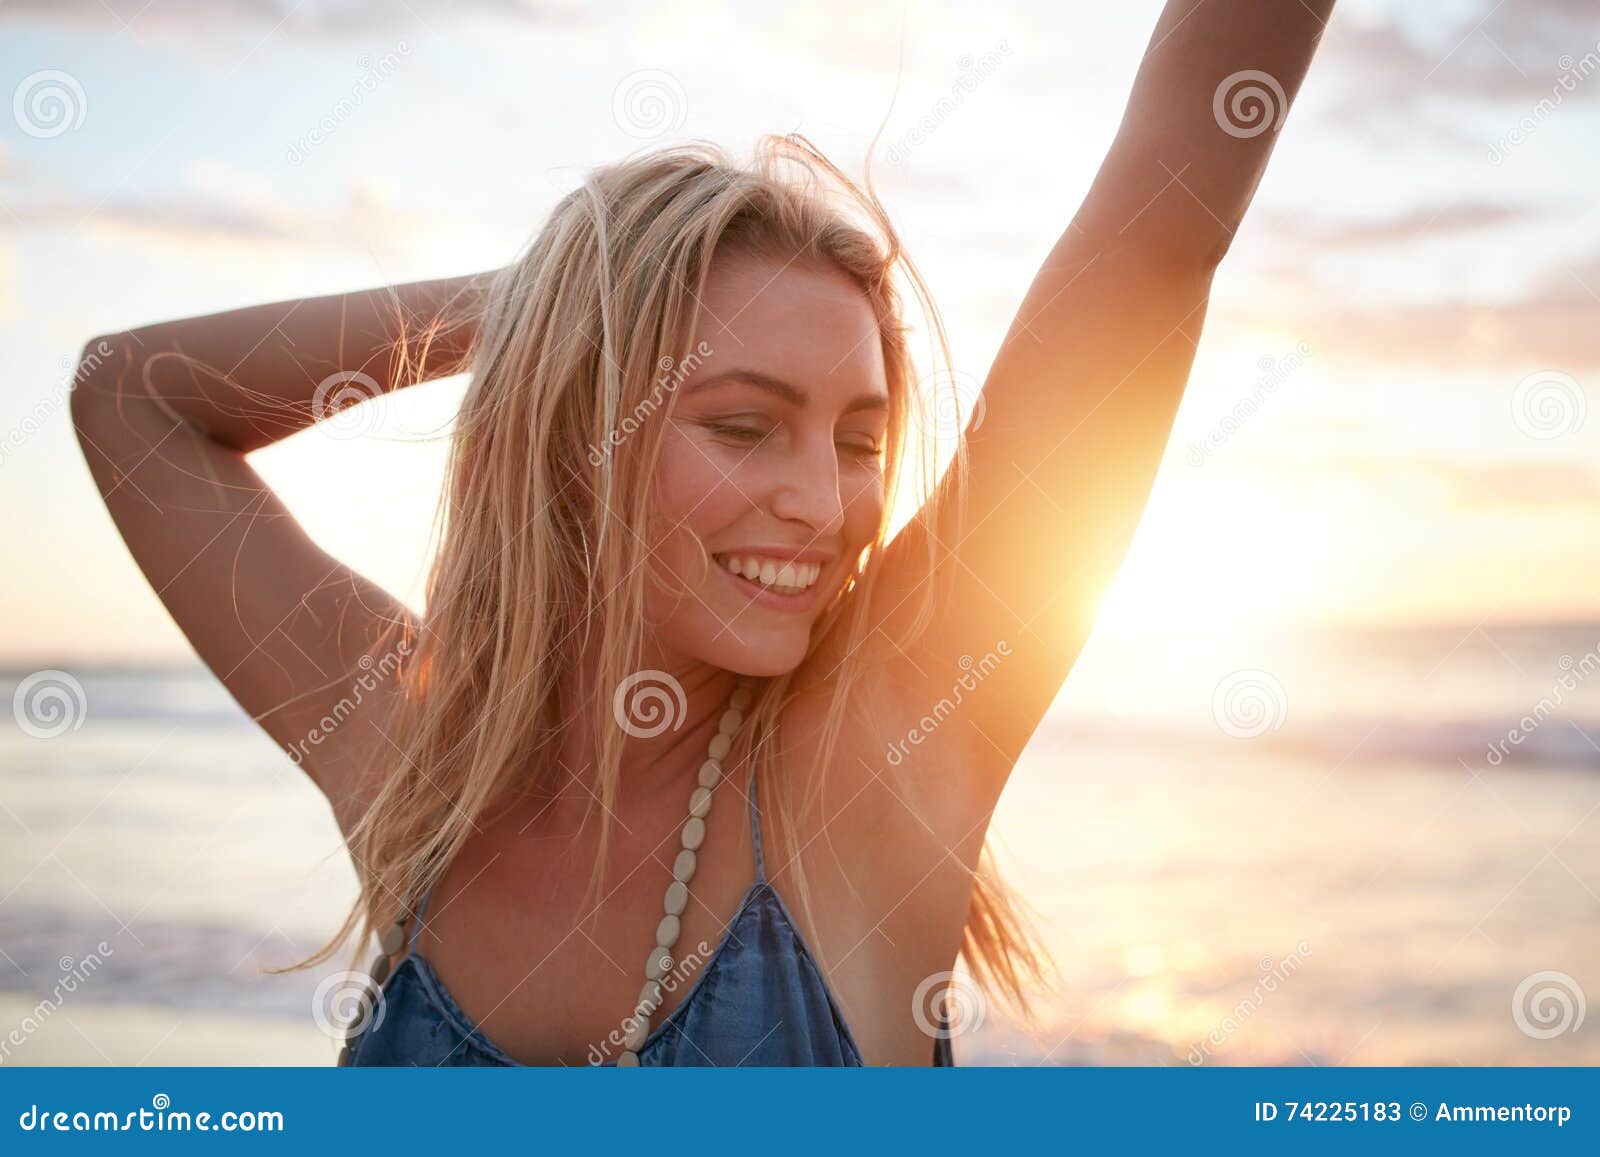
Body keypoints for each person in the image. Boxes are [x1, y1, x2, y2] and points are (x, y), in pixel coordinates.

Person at [69, 0, 1335, 1066]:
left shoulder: (874, 763)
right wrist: (557, 300)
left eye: (857, 439)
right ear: (580, 439)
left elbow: (1164, 230)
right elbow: (130, 394)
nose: (826, 503)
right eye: (744, 425)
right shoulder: (410, 764)